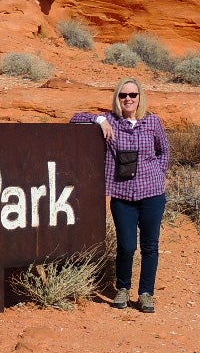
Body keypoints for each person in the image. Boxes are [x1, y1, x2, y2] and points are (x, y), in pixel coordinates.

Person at [71, 78, 171, 313]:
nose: (128, 99)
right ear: (117, 98)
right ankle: (123, 288)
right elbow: (76, 118)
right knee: (126, 246)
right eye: (123, 95)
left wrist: (159, 172)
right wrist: (100, 119)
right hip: (122, 194)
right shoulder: (111, 121)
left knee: (150, 246)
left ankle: (146, 293)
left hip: (152, 193)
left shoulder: (153, 121)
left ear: (140, 98)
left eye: (133, 95)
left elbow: (164, 149)